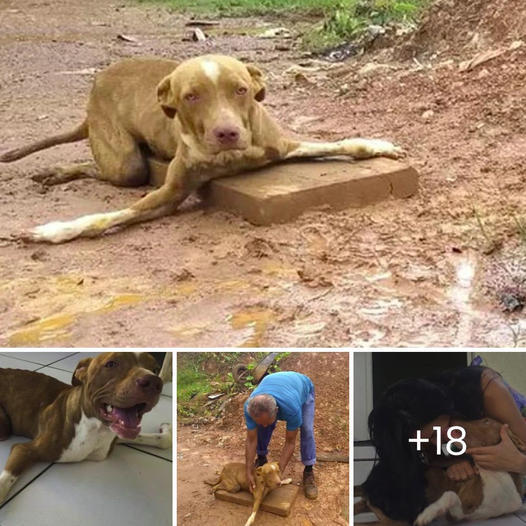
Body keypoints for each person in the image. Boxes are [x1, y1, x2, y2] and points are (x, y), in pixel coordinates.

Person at [362, 365, 526, 522]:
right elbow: (428, 462)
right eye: (426, 443)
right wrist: (453, 463)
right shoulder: (425, 432)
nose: (439, 443)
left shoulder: (489, 393)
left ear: (443, 410)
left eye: (435, 434)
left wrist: (518, 462)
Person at [244, 371, 317, 499]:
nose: (265, 425)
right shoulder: (250, 408)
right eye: (261, 421)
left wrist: (278, 473)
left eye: (268, 421)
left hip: (302, 388)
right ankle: (261, 459)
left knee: (306, 429)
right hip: (275, 383)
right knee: (261, 428)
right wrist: (248, 470)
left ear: (277, 412)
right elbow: (251, 440)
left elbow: (290, 442)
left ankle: (309, 470)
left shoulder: (292, 408)